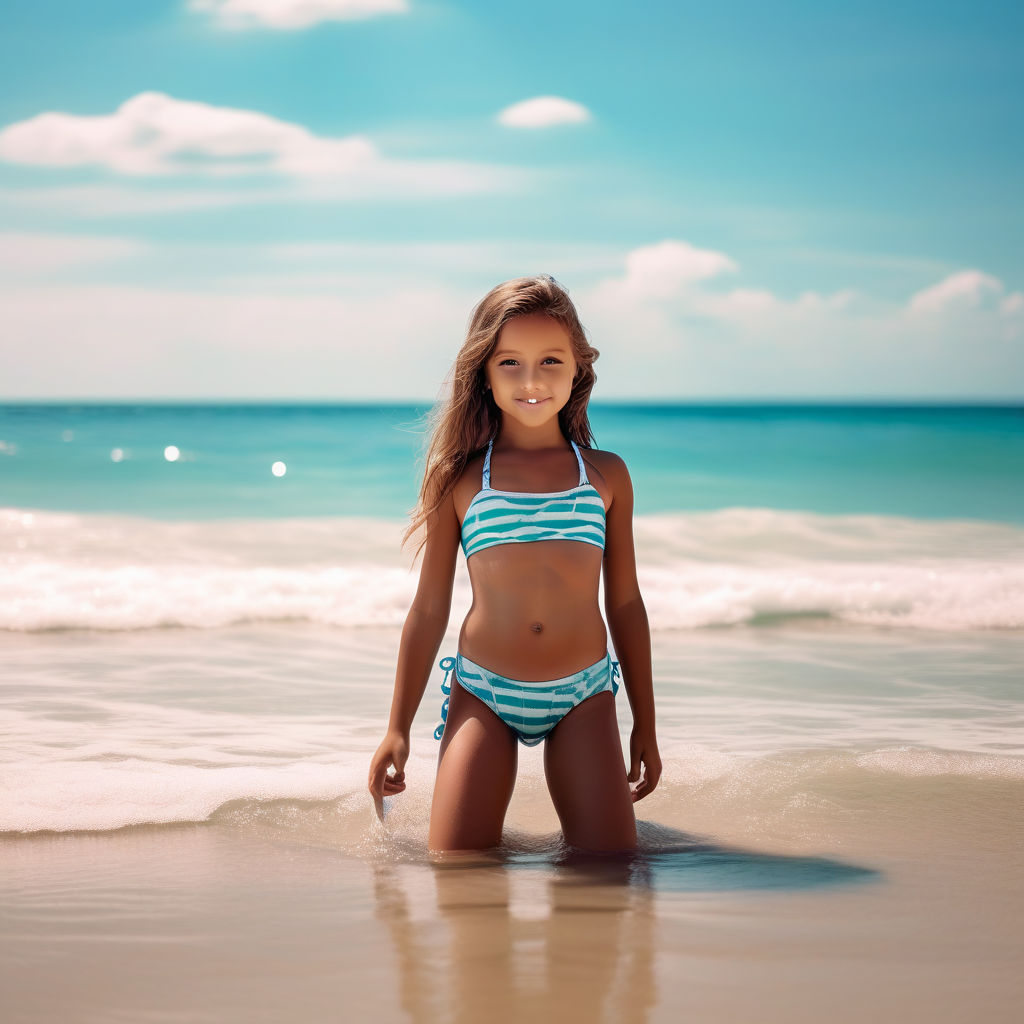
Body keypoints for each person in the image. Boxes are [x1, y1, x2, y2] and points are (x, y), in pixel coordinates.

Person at [367, 274, 661, 852]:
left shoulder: (607, 475)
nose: (531, 381)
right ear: (483, 372)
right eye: (510, 363)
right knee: (457, 868)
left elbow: (624, 602)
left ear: (579, 368)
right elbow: (430, 607)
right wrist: (396, 726)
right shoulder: (459, 480)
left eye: (551, 360)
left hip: (584, 694)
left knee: (609, 873)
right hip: (486, 693)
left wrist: (645, 725)